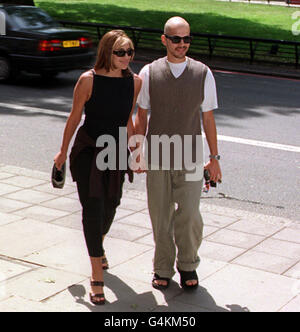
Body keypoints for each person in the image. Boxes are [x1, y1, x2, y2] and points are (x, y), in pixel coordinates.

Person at [54, 30, 142, 305]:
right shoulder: (88, 81)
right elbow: (74, 117)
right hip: (89, 150)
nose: (126, 57)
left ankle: (98, 245)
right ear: (107, 52)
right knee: (93, 208)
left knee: (112, 205)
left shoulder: (135, 83)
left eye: (129, 52)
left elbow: (128, 118)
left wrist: (137, 151)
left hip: (115, 151)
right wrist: (62, 152)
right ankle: (96, 276)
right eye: (120, 52)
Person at [134, 16, 222, 291]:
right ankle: (162, 267)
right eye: (176, 39)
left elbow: (208, 118)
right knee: (160, 215)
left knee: (190, 214)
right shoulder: (149, 72)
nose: (182, 44)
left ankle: (188, 265)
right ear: (164, 40)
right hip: (158, 152)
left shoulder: (203, 73)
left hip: (192, 154)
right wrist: (137, 150)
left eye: (187, 39)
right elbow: (142, 114)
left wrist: (214, 158)